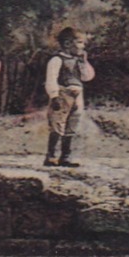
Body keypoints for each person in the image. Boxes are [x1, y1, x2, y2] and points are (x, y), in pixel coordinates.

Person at [43, 27, 95, 168]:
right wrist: (54, 96)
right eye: (79, 42)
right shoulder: (57, 60)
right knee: (57, 124)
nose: (83, 46)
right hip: (63, 93)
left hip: (77, 94)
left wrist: (84, 62)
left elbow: (87, 77)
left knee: (73, 123)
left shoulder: (78, 61)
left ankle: (65, 156)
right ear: (67, 44)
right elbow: (51, 78)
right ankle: (51, 156)